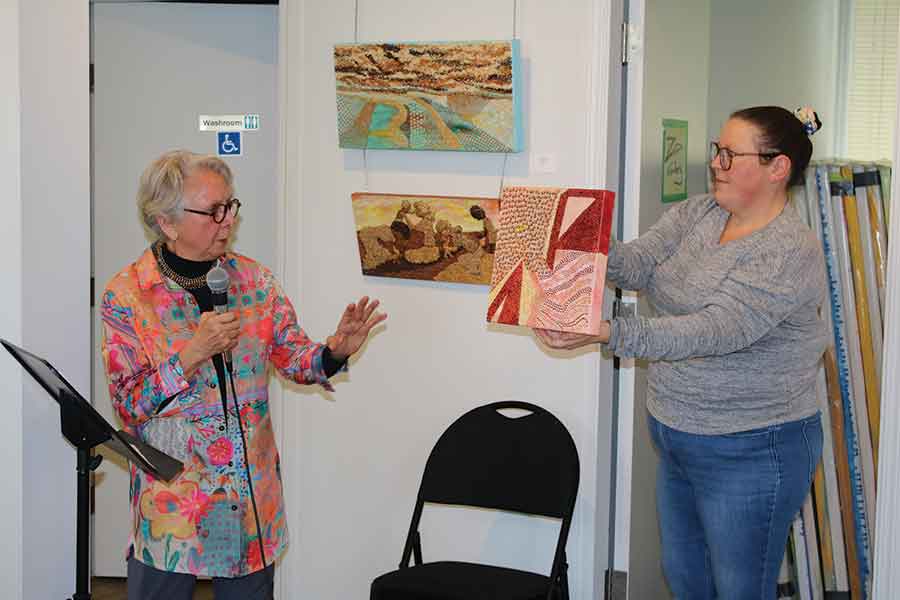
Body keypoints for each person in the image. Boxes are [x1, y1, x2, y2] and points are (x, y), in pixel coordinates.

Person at [537, 106, 828, 599]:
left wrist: (608, 331)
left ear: (778, 168)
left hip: (753, 447)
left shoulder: (788, 250)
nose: (716, 163)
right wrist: (575, 232)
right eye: (718, 150)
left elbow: (714, 331)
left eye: (731, 154)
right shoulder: (700, 212)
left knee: (739, 589)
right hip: (677, 435)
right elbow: (637, 264)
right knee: (687, 578)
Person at [100, 150, 386, 599]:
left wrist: (333, 352)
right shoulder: (128, 295)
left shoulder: (255, 282)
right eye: (213, 210)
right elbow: (128, 405)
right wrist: (191, 354)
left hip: (248, 495)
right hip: (174, 501)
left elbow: (294, 358)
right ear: (166, 222)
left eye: (231, 206)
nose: (227, 220)